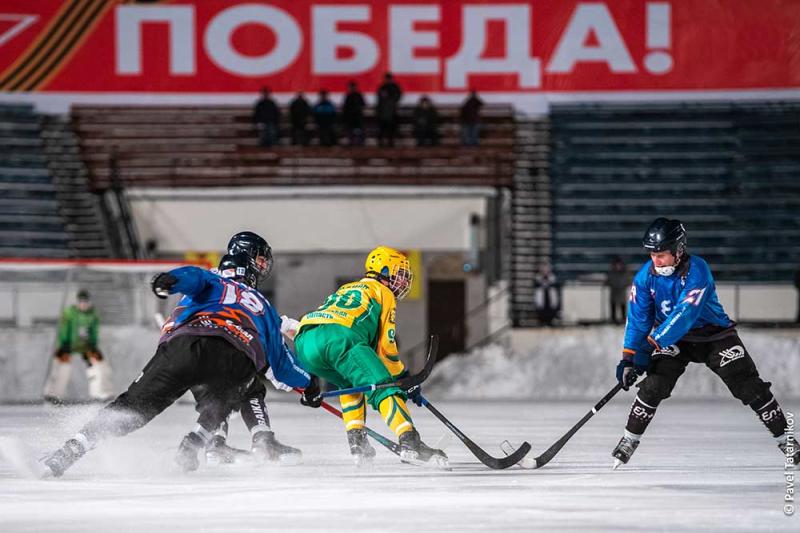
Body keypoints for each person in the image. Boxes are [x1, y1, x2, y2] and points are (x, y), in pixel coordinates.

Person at [41, 251, 314, 477]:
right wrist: (309, 384)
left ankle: (70, 449)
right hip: (233, 352)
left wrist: (169, 280)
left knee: (132, 407)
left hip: (181, 346)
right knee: (231, 393)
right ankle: (196, 442)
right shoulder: (264, 306)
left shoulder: (214, 280)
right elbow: (281, 365)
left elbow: (193, 277)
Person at [611, 218, 800, 468]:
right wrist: (628, 357)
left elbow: (685, 314)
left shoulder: (697, 270)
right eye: (652, 254)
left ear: (678, 250)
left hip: (713, 335)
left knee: (747, 384)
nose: (656, 261)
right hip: (674, 340)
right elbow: (638, 319)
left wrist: (651, 345)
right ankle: (629, 439)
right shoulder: (645, 277)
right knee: (654, 384)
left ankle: (786, 440)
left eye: (662, 254)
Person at [293, 246, 448, 467]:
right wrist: (404, 379)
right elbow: (387, 349)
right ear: (383, 271)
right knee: (385, 386)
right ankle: (409, 440)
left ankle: (358, 442)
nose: (403, 282)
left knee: (351, 382)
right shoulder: (383, 293)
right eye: (399, 274)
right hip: (340, 337)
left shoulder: (348, 287)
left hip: (305, 341)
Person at [186, 232, 301, 466]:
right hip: (217, 345)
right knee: (249, 387)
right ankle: (262, 442)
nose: (263, 265)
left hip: (191, 348)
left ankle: (216, 445)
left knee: (219, 394)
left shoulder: (214, 278)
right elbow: (256, 317)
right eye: (259, 259)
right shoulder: (235, 281)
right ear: (244, 256)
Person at [43, 290, 113, 403]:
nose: (83, 304)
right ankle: (52, 393)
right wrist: (64, 343)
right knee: (61, 367)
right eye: (81, 301)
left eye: (85, 301)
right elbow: (64, 328)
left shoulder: (93, 314)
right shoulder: (69, 313)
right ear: (77, 302)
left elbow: (94, 330)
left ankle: (101, 393)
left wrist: (93, 344)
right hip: (69, 344)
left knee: (100, 366)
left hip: (86, 346)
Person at [376, 72, 402, 147]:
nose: (387, 80)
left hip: (391, 112)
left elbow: (397, 97)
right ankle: (381, 144)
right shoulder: (382, 87)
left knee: (391, 130)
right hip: (383, 112)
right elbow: (379, 99)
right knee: (382, 130)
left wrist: (389, 98)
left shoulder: (395, 87)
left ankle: (390, 143)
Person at [606, 256, 630, 324]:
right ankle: (613, 319)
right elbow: (608, 281)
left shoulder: (625, 272)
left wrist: (622, 285)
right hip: (614, 291)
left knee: (622, 306)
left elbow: (628, 281)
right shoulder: (611, 272)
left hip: (622, 292)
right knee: (613, 305)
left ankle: (623, 319)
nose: (618, 266)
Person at [342, 80, 366, 146]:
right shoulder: (348, 96)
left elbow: (363, 104)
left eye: (353, 87)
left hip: (358, 117)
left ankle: (359, 142)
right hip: (350, 117)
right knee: (350, 131)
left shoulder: (358, 95)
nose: (352, 88)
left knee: (359, 131)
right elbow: (345, 107)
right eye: (351, 87)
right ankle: (352, 142)